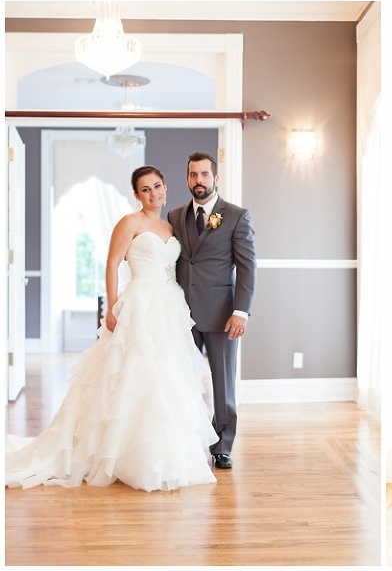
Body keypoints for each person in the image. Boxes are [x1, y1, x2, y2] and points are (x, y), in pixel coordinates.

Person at [6, 165, 219, 492]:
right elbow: (112, 262)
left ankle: (160, 455)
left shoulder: (171, 225)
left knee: (166, 377)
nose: (153, 193)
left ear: (165, 187)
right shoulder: (129, 222)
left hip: (170, 306)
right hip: (139, 304)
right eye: (145, 189)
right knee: (133, 374)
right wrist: (112, 305)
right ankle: (118, 454)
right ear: (136, 194)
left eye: (157, 186)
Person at [167, 152, 257, 470]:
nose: (199, 180)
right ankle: (186, 442)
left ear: (216, 178)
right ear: (187, 179)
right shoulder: (175, 215)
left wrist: (241, 311)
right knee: (181, 380)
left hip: (221, 315)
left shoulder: (236, 216)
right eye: (193, 175)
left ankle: (222, 447)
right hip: (182, 314)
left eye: (204, 174)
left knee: (223, 383)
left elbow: (247, 267)